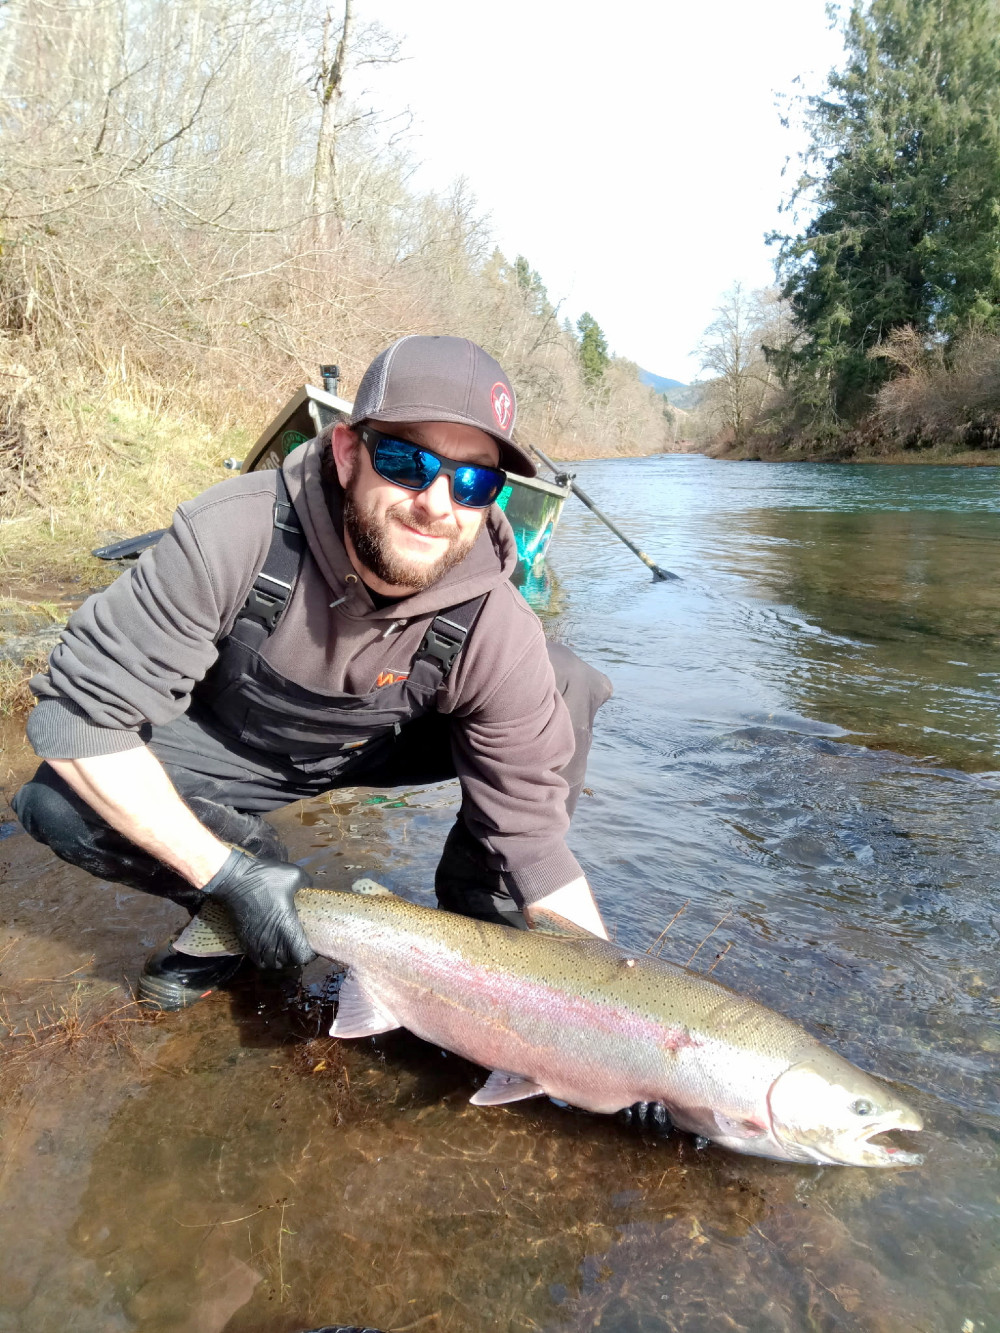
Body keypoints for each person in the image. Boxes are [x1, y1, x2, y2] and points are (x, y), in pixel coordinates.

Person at [13, 335, 615, 1011]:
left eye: (473, 480)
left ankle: (481, 928)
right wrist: (228, 874)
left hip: (381, 743)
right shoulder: (233, 534)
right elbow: (76, 719)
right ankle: (240, 912)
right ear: (347, 452)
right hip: (234, 744)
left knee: (565, 680)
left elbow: (534, 845)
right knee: (60, 801)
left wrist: (616, 1017)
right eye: (406, 460)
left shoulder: (494, 621)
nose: (438, 503)